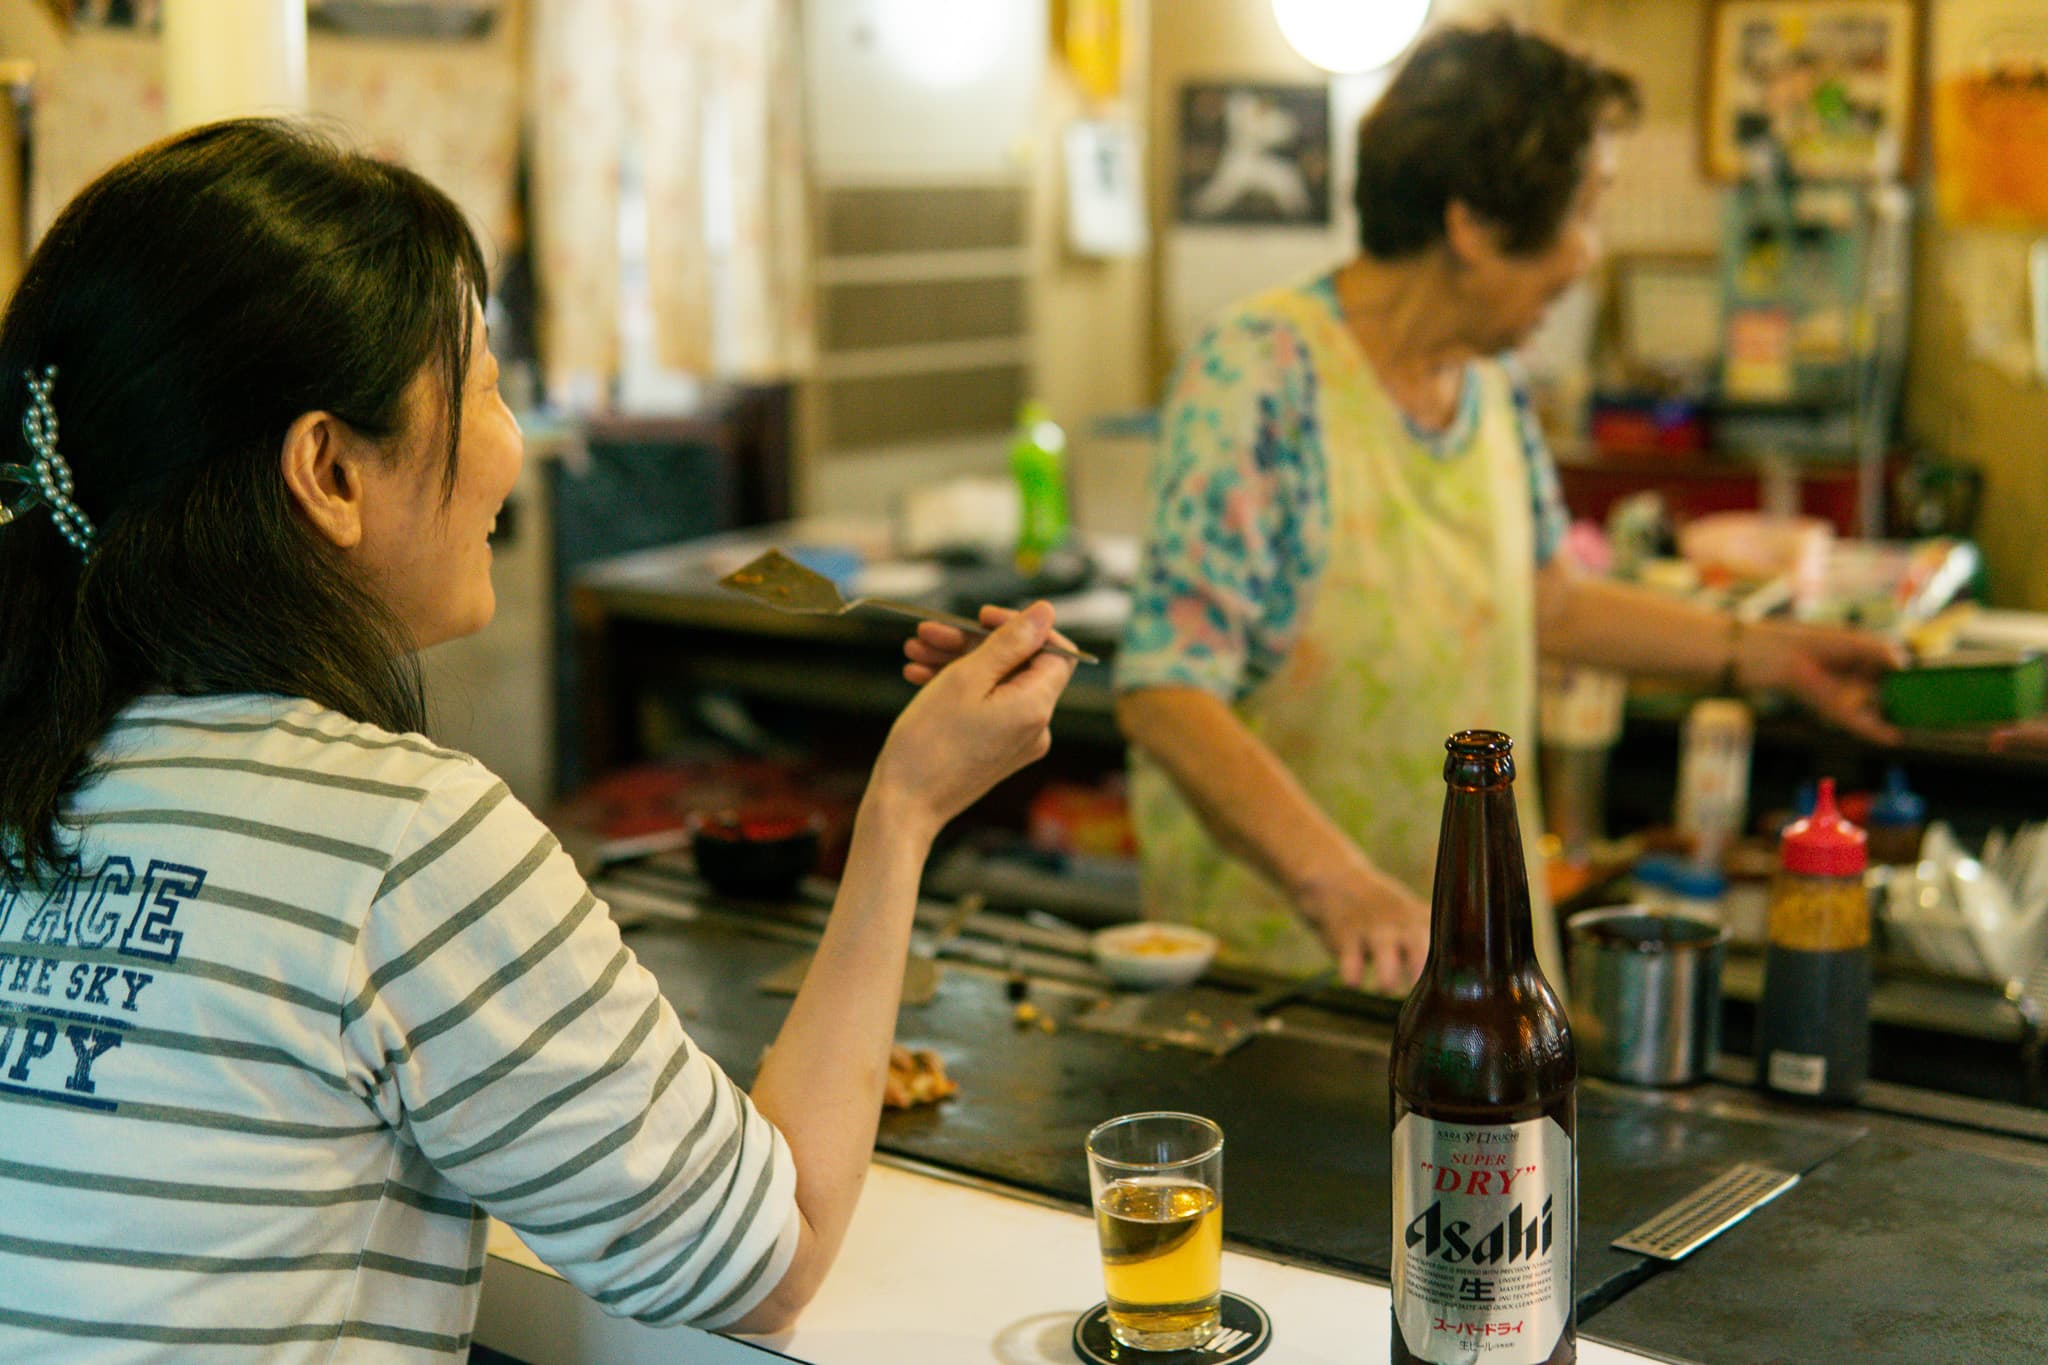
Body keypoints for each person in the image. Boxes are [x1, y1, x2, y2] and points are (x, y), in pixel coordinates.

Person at [0, 119, 1074, 1359]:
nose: (513, 450)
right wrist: (904, 810)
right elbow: (761, 1263)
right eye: (487, 388)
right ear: (328, 472)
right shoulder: (396, 841)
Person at [1100, 23, 1899, 995]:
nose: (1585, 258)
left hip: (1477, 960)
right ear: (1472, 224)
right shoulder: (1261, 373)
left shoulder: (1488, 383)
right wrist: (1337, 884)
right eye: (1584, 213)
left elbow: (1548, 603)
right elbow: (1166, 691)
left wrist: (1768, 654)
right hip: (1284, 978)